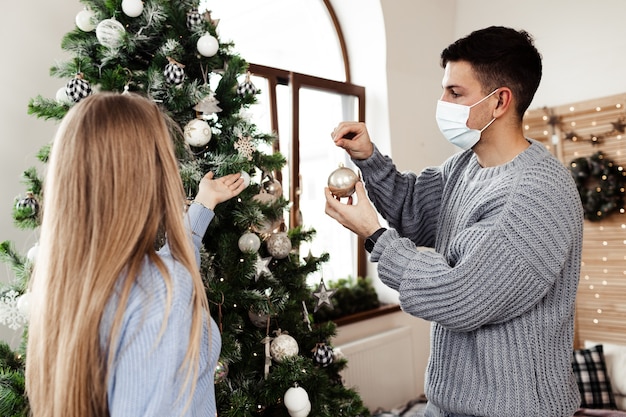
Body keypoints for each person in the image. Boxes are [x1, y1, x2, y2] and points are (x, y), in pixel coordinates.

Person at [325, 26, 583, 417]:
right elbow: (413, 207)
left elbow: (460, 297)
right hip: (446, 405)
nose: (442, 102)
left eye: (455, 93)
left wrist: (374, 235)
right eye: (444, 89)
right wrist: (368, 157)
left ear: (499, 102)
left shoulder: (538, 193)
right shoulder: (466, 165)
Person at [25, 92, 246, 417]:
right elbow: (165, 283)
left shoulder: (68, 286)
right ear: (143, 176)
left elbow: (172, 266)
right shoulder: (159, 290)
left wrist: (203, 205)